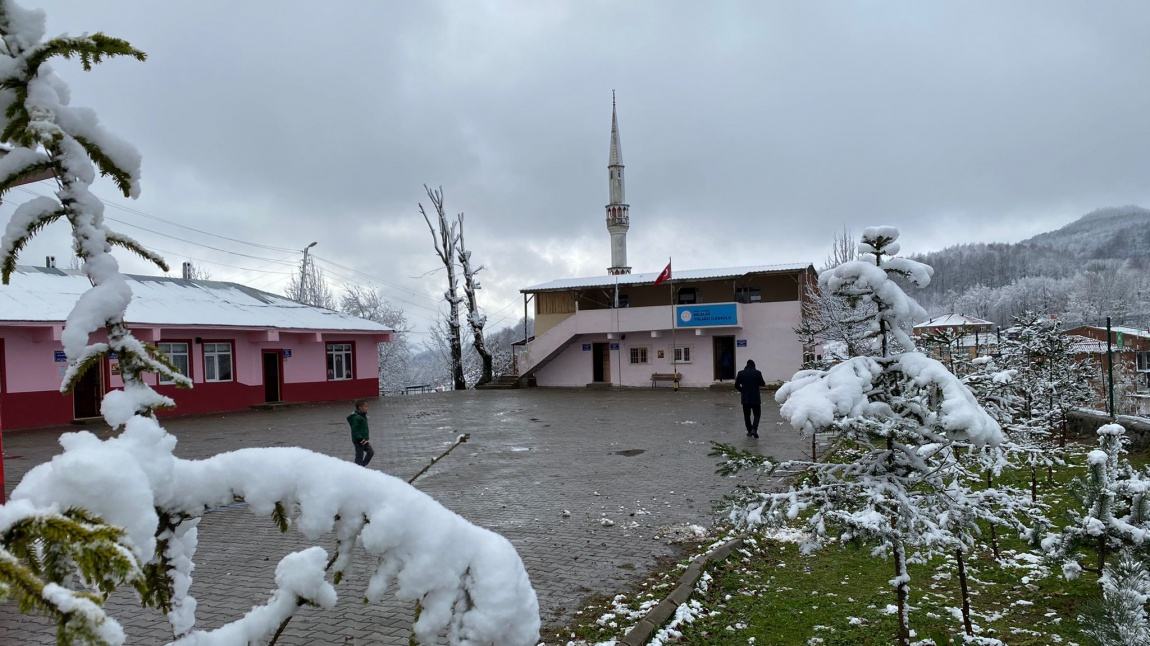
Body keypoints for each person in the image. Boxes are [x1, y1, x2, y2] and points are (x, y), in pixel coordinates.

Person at [734, 359, 767, 438]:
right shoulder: (757, 373)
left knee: (747, 416)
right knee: (757, 415)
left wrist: (742, 390)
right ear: (754, 366)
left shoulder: (741, 373)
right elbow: (762, 383)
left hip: (745, 398)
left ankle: (749, 431)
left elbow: (736, 385)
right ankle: (754, 429)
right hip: (755, 398)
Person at [347, 399, 374, 466]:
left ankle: (361, 468)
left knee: (370, 452)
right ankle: (357, 470)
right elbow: (355, 430)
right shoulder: (356, 418)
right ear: (360, 407)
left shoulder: (362, 415)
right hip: (359, 440)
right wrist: (360, 439)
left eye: (367, 406)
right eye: (365, 406)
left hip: (363, 440)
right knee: (359, 456)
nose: (367, 408)